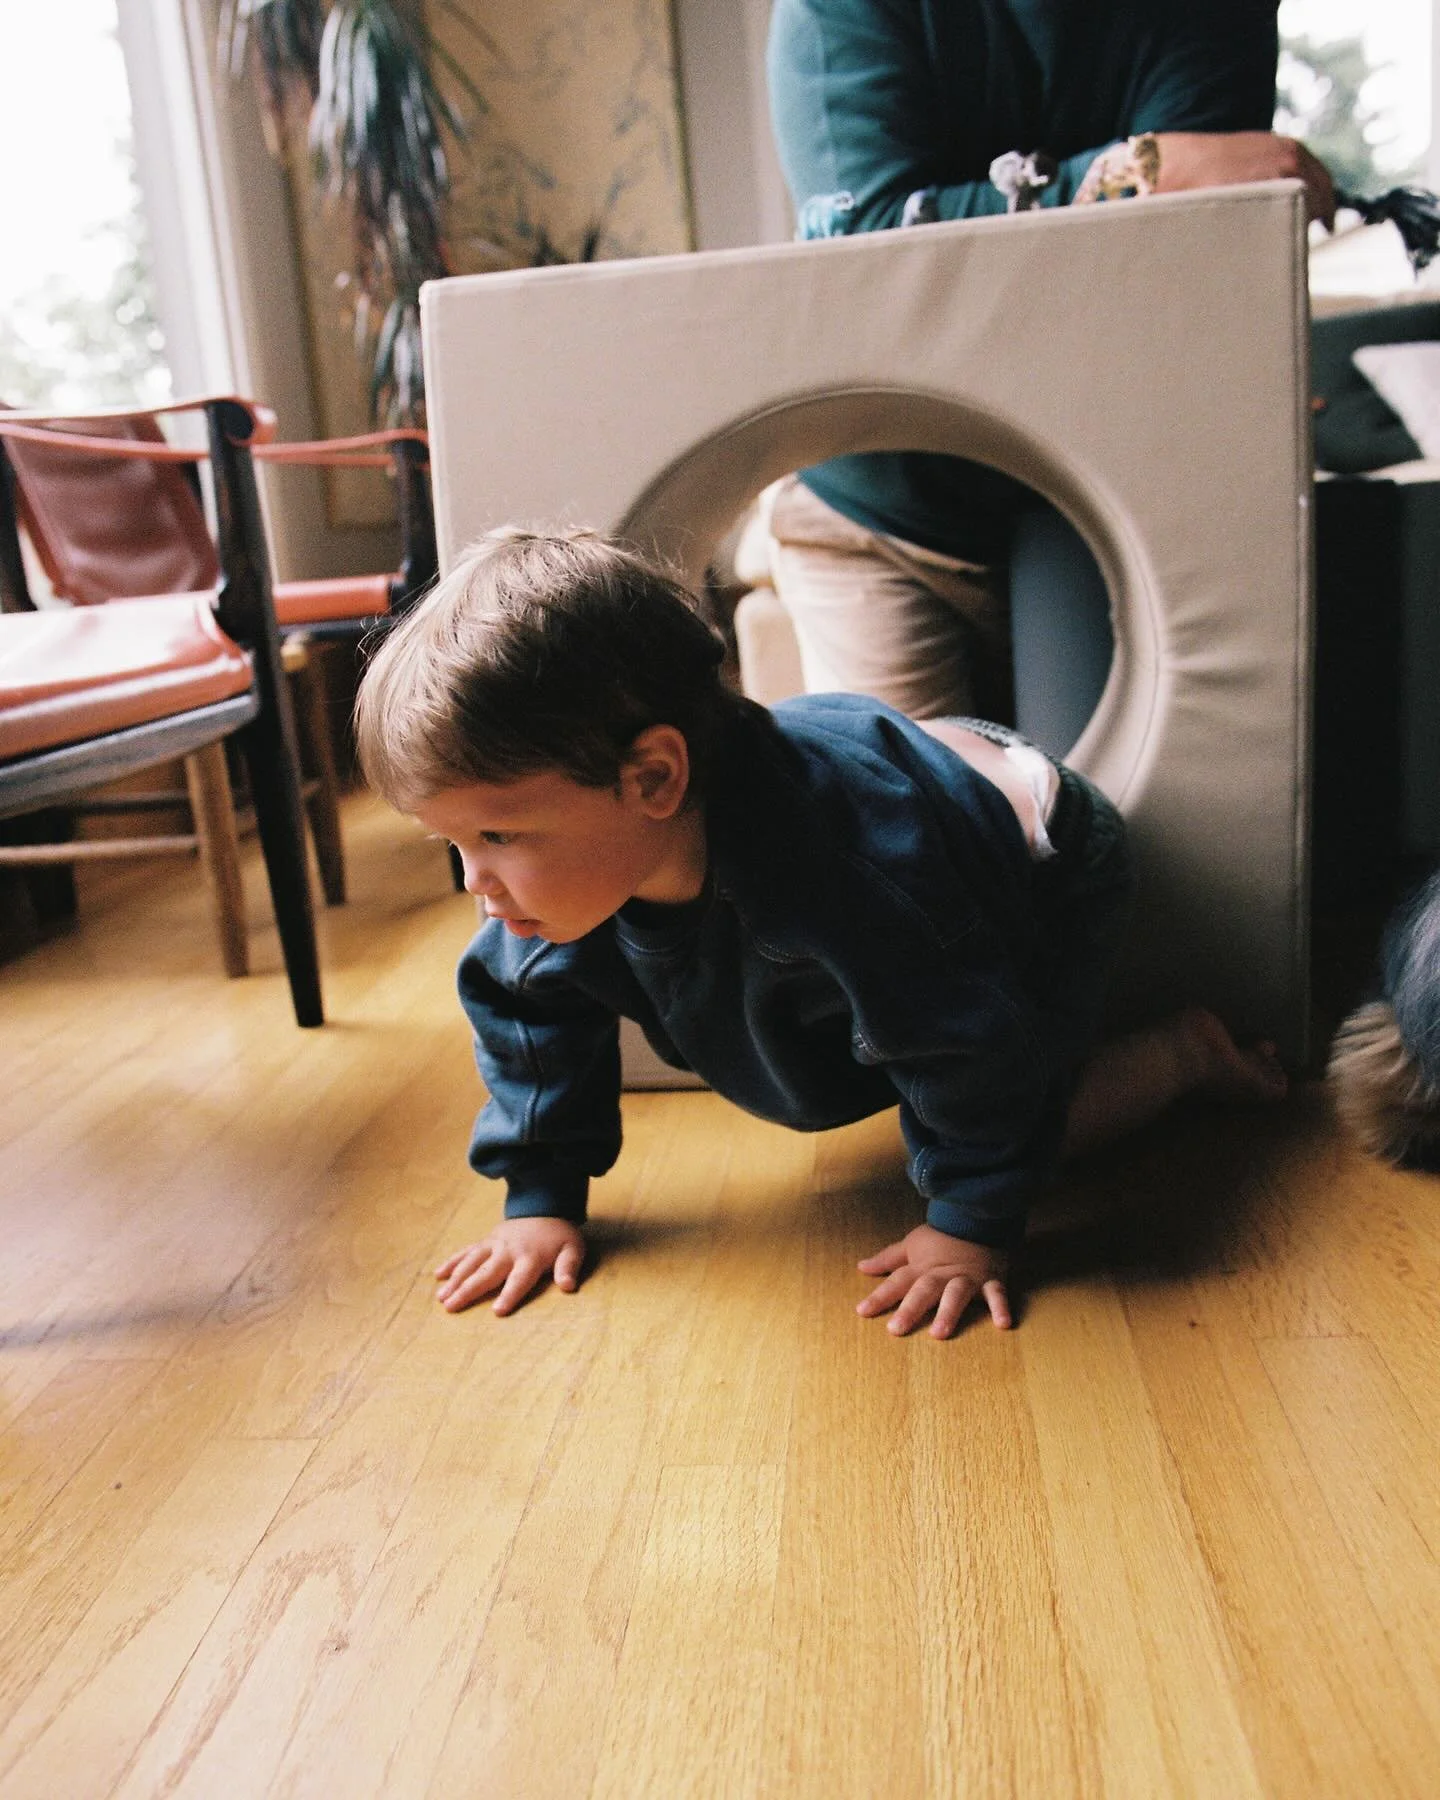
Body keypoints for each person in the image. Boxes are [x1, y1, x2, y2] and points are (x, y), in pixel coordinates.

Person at [355, 529, 1286, 1339]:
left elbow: (970, 1046)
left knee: (1023, 1119)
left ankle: (1185, 1055)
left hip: (1038, 855)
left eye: (499, 836)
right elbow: (525, 1012)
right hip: (866, 772)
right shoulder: (549, 891)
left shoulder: (853, 879)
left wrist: (968, 1227)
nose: (474, 884)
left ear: (651, 782)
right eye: (453, 844)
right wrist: (539, 1199)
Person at [764, 0, 1336, 752]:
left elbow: (1189, 243)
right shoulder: (842, 10)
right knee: (915, 833)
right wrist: (1135, 173)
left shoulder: (1209, 14)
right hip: (886, 515)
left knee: (1134, 832)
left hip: (1100, 508)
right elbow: (871, 250)